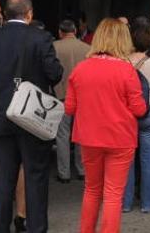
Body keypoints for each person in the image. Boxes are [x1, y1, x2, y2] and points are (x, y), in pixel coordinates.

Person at [0, 0, 63, 233]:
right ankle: (36, 228)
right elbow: (54, 73)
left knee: (4, 178)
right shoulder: (41, 37)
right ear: (29, 14)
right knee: (35, 176)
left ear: (5, 13)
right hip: (31, 117)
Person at [65, 18, 147, 233]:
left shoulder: (81, 68)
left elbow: (70, 108)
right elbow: (139, 109)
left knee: (92, 190)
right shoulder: (127, 70)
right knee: (113, 194)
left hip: (89, 137)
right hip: (120, 137)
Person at [122, 16, 150, 213]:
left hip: (126, 114)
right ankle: (148, 204)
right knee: (149, 159)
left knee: (126, 160)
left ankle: (126, 203)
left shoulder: (121, 62)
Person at [53, 19, 89, 183]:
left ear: (60, 32)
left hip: (61, 94)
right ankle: (82, 170)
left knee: (62, 134)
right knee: (81, 134)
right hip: (83, 96)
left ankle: (64, 172)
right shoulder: (87, 49)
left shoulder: (54, 47)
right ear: (75, 31)